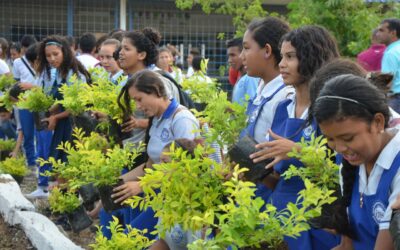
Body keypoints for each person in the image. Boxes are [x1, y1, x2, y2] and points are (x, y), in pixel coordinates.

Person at [250, 25, 340, 249]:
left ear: (312, 57)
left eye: (290, 57)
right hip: (280, 216)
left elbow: (340, 170)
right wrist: (255, 172)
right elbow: (281, 182)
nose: (281, 64)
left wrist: (297, 150)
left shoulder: (329, 109)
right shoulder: (283, 108)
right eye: (282, 56)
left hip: (315, 219)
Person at [312, 74, 399, 250]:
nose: (339, 148)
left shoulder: (396, 165)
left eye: (348, 138)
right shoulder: (350, 161)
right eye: (330, 139)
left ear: (378, 122)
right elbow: (348, 245)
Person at [376, 18, 400, 113]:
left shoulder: (391, 53)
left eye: (381, 30)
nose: (377, 34)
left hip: (396, 100)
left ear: (393, 33)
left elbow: (386, 82)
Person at [226, 37, 259, 105]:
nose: (229, 60)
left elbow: (253, 107)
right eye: (229, 56)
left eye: (233, 55)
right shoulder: (240, 76)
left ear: (243, 54)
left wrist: (231, 109)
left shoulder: (250, 78)